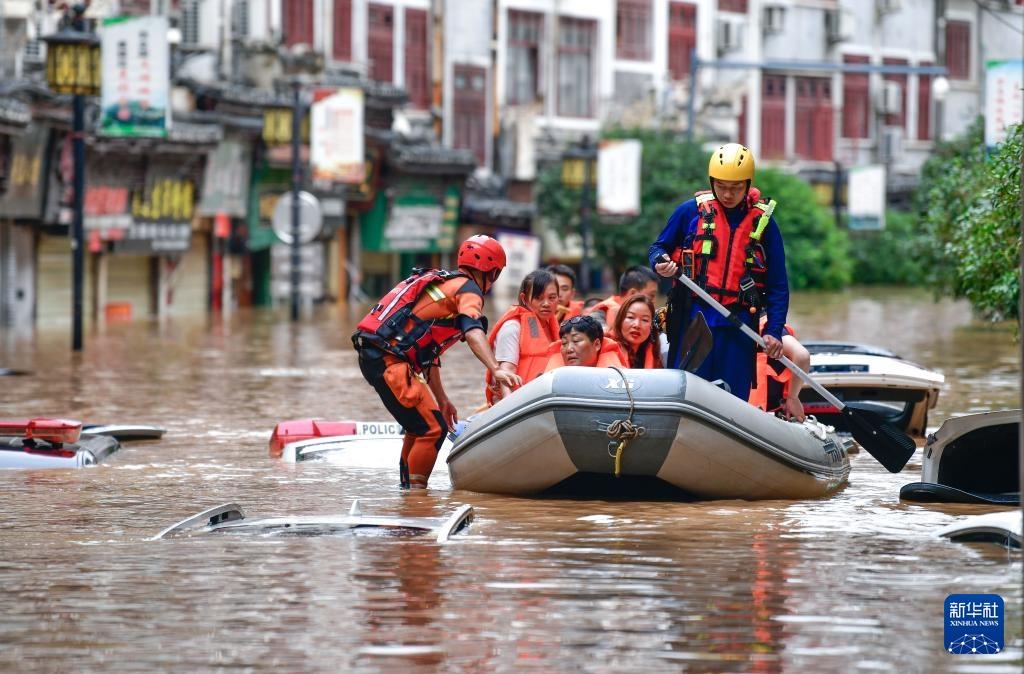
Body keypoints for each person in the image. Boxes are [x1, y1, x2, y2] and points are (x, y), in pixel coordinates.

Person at [352, 234, 522, 489]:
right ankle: (416, 501)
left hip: (377, 357)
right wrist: (495, 369)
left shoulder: (445, 285)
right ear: (492, 271)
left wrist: (442, 399)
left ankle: (407, 495)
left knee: (418, 427)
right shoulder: (468, 290)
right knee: (433, 430)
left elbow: (427, 353)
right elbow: (473, 331)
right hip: (390, 362)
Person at [649, 142, 790, 402]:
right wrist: (661, 262)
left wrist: (774, 329)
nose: (728, 194)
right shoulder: (690, 211)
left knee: (733, 396)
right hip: (694, 316)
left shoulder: (764, 224)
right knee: (687, 388)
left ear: (748, 185)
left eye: (736, 187)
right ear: (712, 182)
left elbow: (778, 285)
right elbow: (658, 248)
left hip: (739, 322)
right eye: (722, 186)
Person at [485, 269, 560, 403]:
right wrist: (508, 406)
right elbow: (506, 372)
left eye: (552, 298)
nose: (546, 304)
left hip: (544, 400)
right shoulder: (513, 327)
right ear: (524, 299)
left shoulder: (554, 326)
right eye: (538, 298)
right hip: (517, 402)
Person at [749, 317, 809, 422]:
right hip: (751, 414)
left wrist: (792, 398)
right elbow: (802, 356)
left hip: (753, 416)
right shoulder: (767, 327)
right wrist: (792, 397)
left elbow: (802, 356)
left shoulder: (769, 330)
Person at [585, 265, 659, 329]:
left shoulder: (653, 318)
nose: (654, 301)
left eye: (644, 320)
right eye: (651, 295)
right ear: (633, 293)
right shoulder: (600, 314)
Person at [544, 315, 627, 370]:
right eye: (564, 343)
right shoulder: (550, 377)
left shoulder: (619, 376)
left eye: (576, 341)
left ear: (597, 344)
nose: (569, 349)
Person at [610, 294, 663, 369]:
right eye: (630, 317)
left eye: (645, 320)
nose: (637, 325)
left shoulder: (654, 353)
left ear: (651, 326)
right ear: (620, 320)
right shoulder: (608, 349)